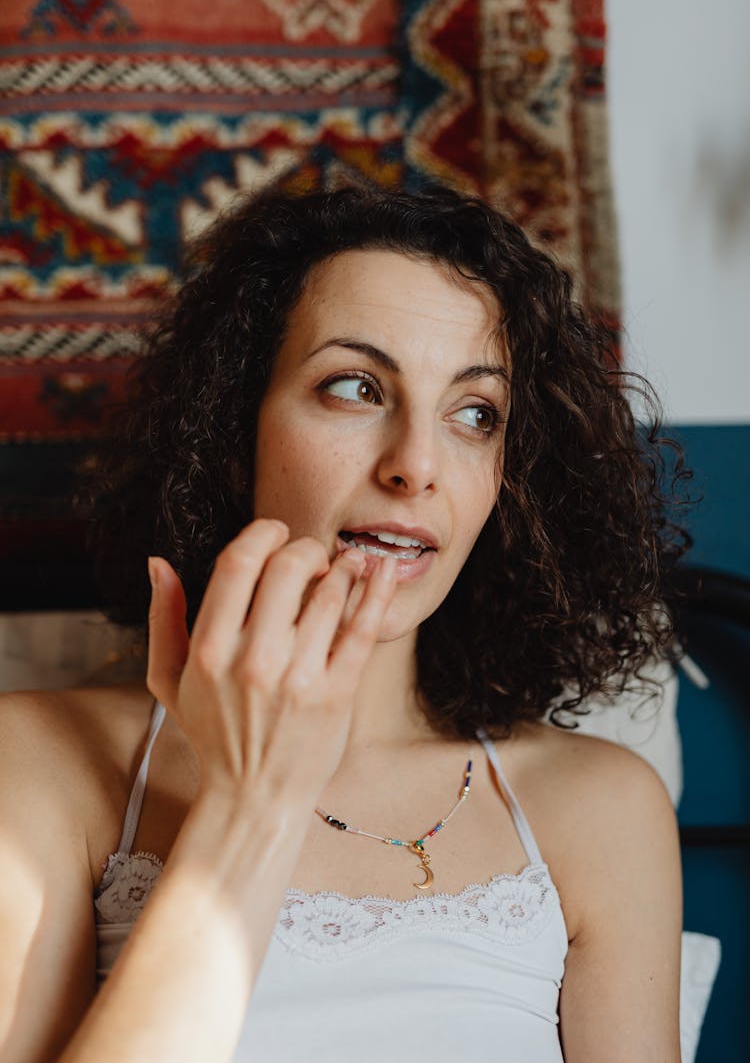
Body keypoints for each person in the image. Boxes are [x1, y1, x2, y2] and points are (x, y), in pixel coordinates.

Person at [0, 185, 686, 1062]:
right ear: (233, 429)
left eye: (476, 413)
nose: (416, 465)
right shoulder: (40, 763)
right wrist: (253, 803)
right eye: (356, 387)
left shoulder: (602, 808)